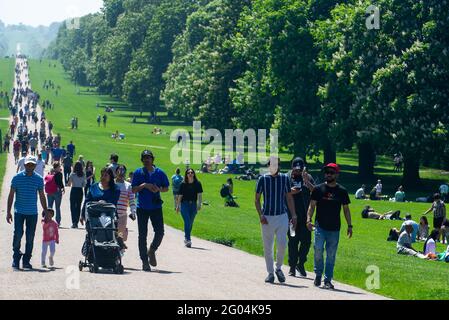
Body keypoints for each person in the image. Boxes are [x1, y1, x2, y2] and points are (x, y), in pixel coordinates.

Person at [306, 163, 352, 290]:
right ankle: (318, 274)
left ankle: (327, 280)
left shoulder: (342, 191)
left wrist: (350, 225)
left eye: (332, 172)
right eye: (327, 172)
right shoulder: (318, 189)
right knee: (318, 250)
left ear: (337, 174)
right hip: (320, 227)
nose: (329, 174)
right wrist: (308, 219)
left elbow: (346, 210)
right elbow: (312, 206)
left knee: (331, 255)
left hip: (334, 229)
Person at [255, 157, 296, 284]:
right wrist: (260, 215)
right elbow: (257, 199)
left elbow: (289, 198)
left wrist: (294, 215)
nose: (274, 167)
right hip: (267, 217)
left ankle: (278, 268)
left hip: (282, 215)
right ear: (268, 166)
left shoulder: (285, 178)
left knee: (282, 244)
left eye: (276, 165)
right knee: (268, 247)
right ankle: (270, 273)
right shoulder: (263, 179)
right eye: (272, 165)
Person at [7, 156, 49, 269]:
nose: (30, 166)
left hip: (32, 212)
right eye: (28, 164)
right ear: (24, 165)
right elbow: (11, 195)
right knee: (18, 234)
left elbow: (41, 196)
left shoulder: (39, 179)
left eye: (32, 165)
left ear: (35, 165)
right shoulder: (17, 178)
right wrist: (8, 211)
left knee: (30, 237)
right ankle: (16, 257)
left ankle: (26, 260)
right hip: (19, 211)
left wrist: (46, 211)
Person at [131, 150, 170, 272]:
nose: (147, 160)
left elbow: (166, 188)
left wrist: (158, 189)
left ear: (153, 159)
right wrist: (144, 186)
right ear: (142, 160)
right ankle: (144, 261)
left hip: (156, 207)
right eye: (144, 158)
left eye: (149, 158)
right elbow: (133, 190)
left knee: (160, 232)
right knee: (142, 235)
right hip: (142, 207)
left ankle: (152, 250)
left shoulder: (160, 173)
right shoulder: (138, 172)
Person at [287, 157, 315, 277]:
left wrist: (306, 181)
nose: (297, 171)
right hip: (291, 217)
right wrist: (290, 191)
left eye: (300, 169)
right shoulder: (287, 178)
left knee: (306, 242)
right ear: (292, 167)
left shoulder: (308, 177)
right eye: (296, 169)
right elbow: (282, 193)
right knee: (293, 241)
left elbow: (316, 192)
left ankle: (301, 263)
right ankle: (292, 267)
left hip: (305, 217)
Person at [176, 169, 203, 248]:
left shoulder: (198, 183)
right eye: (188, 173)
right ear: (186, 174)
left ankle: (186, 238)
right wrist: (178, 206)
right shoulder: (183, 184)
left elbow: (200, 195)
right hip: (184, 205)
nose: (190, 174)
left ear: (194, 174)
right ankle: (188, 239)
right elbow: (180, 196)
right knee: (187, 221)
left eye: (192, 172)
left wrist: (199, 204)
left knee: (190, 222)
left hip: (193, 205)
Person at [115, 165, 137, 254]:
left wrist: (133, 211)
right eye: (119, 171)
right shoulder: (112, 184)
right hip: (110, 213)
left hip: (122, 215)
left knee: (120, 234)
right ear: (116, 172)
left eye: (123, 171)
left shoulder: (128, 186)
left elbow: (131, 200)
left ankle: (120, 249)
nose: (121, 173)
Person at [67, 162, 86, 229]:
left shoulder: (72, 174)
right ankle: (76, 222)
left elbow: (69, 184)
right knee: (78, 206)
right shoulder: (83, 175)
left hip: (74, 190)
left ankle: (73, 222)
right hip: (80, 190)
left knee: (72, 206)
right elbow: (84, 185)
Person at [45, 162, 65, 226]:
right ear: (57, 167)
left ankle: (47, 219)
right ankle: (58, 221)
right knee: (57, 207)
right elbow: (60, 183)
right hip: (57, 191)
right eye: (59, 166)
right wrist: (63, 188)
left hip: (49, 191)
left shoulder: (50, 173)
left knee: (49, 206)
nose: (60, 168)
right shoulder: (59, 174)